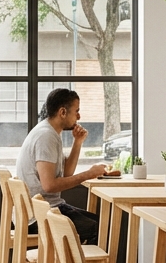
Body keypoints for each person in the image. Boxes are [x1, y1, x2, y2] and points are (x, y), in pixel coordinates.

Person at [16, 88, 108, 245]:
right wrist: (89, 174)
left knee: (104, 225)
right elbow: (50, 185)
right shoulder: (46, 136)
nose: (79, 116)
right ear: (63, 112)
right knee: (101, 228)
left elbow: (66, 173)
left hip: (43, 209)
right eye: (76, 111)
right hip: (39, 216)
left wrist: (77, 142)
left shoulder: (50, 132)